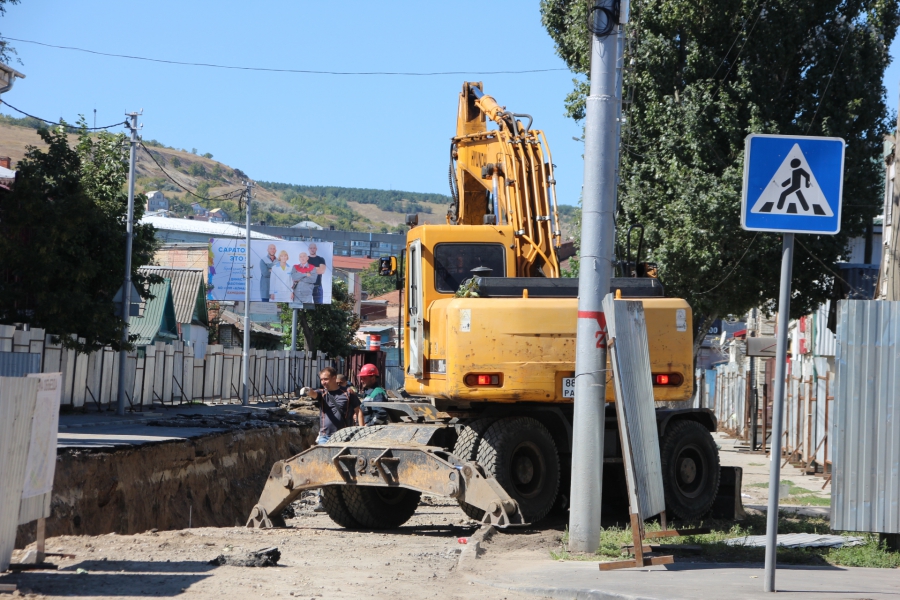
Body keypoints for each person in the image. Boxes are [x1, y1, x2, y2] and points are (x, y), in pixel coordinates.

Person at [300, 366, 363, 445]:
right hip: (325, 436)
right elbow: (314, 393)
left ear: (334, 378)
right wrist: (308, 390)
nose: (323, 382)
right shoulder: (322, 393)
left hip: (345, 435)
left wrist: (362, 430)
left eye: (326, 379)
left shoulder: (348, 393)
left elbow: (358, 411)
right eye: (321, 379)